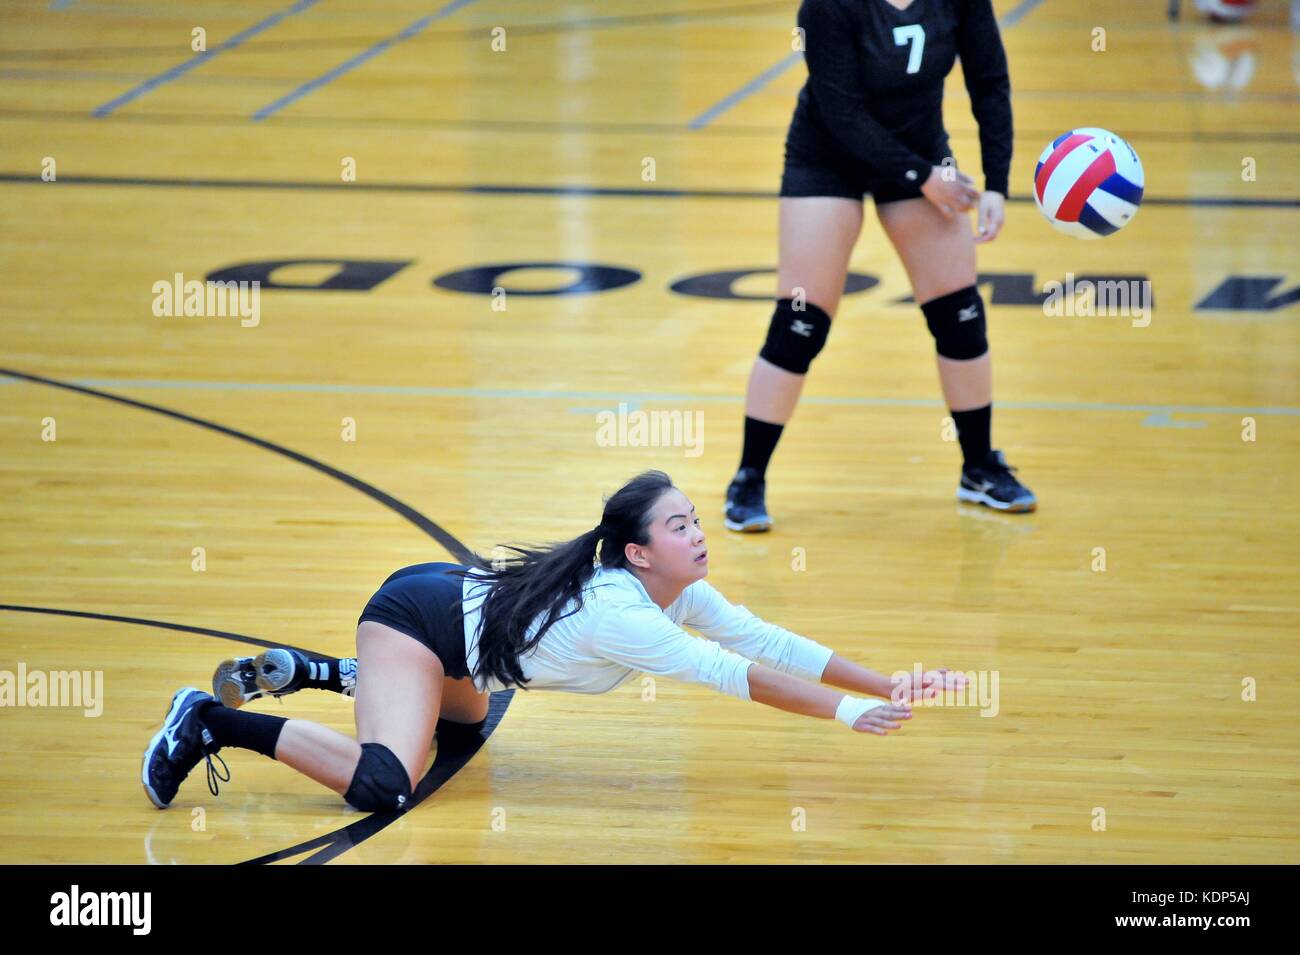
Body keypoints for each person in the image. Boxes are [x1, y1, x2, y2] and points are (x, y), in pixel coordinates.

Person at [141, 470, 963, 813]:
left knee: (460, 733)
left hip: (456, 637)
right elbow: (736, 675)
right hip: (418, 620)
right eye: (680, 525)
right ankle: (210, 720)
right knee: (389, 784)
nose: (699, 533)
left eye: (696, 519)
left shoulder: (675, 590)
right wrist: (848, 714)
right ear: (639, 551)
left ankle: (336, 674)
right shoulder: (627, 615)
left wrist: (888, 683)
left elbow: (768, 640)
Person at [725, 0, 1036, 533]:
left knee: (960, 316)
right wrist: (923, 176)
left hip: (919, 158)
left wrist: (998, 185)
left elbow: (990, 82)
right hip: (828, 159)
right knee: (800, 324)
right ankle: (749, 477)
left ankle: (979, 466)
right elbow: (842, 111)